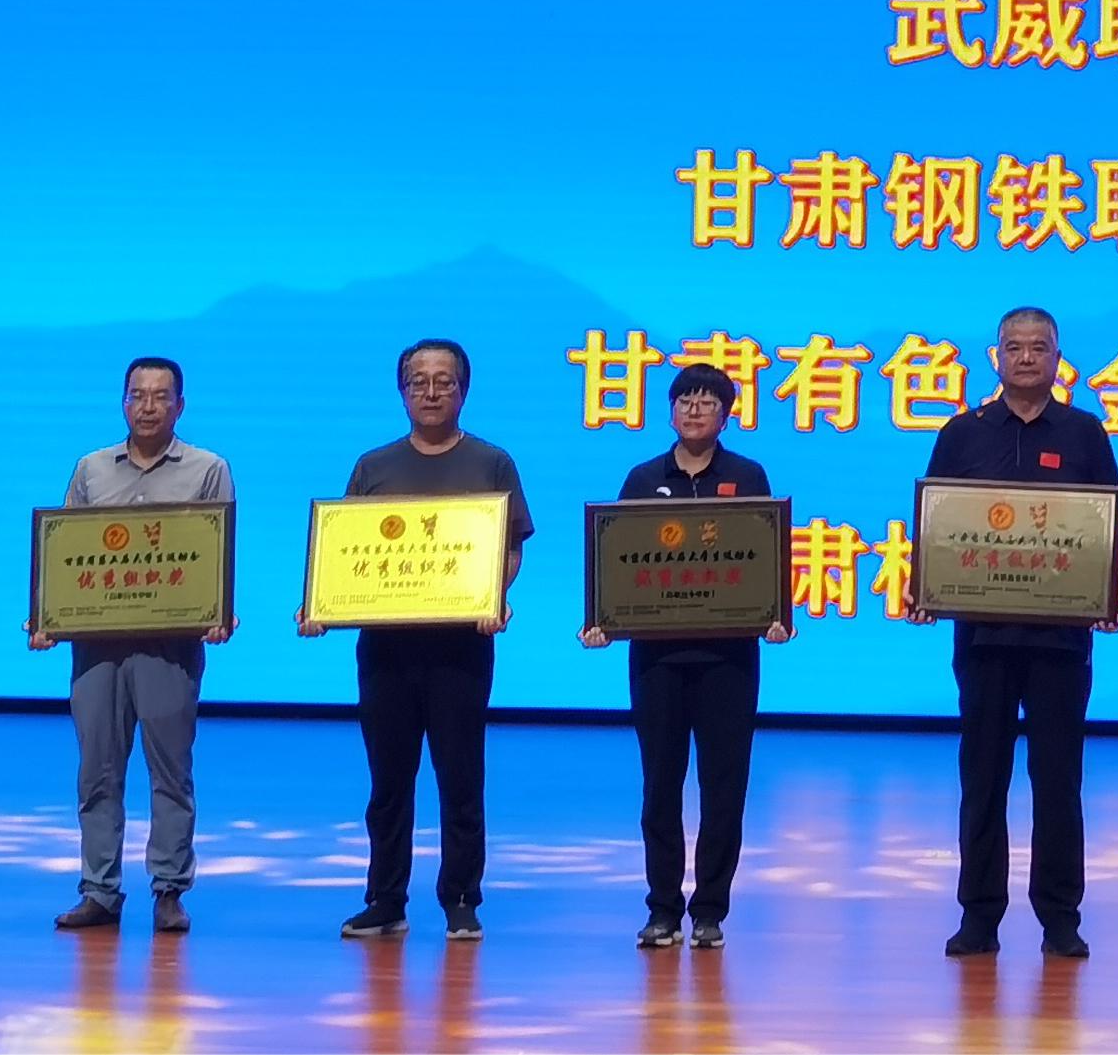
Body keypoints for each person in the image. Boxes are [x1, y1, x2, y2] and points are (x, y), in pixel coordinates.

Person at [917, 306, 1118, 960]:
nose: (1027, 357)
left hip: (1061, 641)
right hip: (983, 638)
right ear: (997, 357)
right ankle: (978, 915)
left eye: (1039, 347)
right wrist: (924, 588)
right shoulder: (963, 433)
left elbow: (1111, 524)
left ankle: (1059, 917)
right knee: (982, 779)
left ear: (1058, 357)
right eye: (1015, 347)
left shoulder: (1084, 432)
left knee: (1058, 780)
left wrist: (1110, 593)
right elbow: (935, 524)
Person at [308, 339, 532, 942]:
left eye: (444, 381)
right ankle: (386, 899)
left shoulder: (492, 462)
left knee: (461, 779)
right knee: (388, 783)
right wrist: (322, 605)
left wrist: (494, 596)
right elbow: (346, 551)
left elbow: (510, 547)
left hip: (461, 647)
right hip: (386, 649)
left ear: (464, 390)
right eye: (419, 381)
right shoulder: (373, 466)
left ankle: (461, 898)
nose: (431, 392)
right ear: (402, 391)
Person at [579, 363, 792, 950]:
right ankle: (663, 909)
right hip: (657, 660)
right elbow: (618, 559)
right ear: (670, 412)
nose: (695, 410)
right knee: (660, 786)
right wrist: (602, 621)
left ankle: (710, 911)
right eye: (685, 401)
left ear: (727, 415)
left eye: (708, 401)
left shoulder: (747, 475)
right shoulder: (644, 478)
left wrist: (775, 616)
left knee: (724, 787)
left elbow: (765, 556)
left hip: (729, 660)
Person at [36, 357, 235, 935]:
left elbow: (216, 551)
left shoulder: (208, 469)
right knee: (97, 772)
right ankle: (99, 890)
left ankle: (169, 889)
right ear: (123, 402)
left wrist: (218, 611)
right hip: (97, 647)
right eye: (137, 395)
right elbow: (65, 551)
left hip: (170, 646)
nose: (148, 406)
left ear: (180, 405)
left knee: (170, 771)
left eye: (160, 396)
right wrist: (47, 617)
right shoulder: (91, 468)